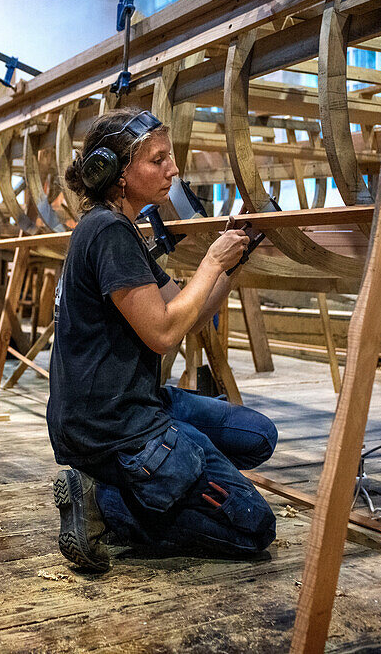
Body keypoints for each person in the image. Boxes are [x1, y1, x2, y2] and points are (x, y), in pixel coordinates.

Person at [48, 108, 278, 573]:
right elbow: (163, 333)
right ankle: (104, 501)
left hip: (132, 401)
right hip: (115, 426)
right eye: (158, 160)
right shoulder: (108, 231)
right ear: (114, 172)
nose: (172, 170)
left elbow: (187, 312)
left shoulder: (119, 230)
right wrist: (211, 260)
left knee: (258, 437)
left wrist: (235, 256)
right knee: (255, 528)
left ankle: (134, 489)